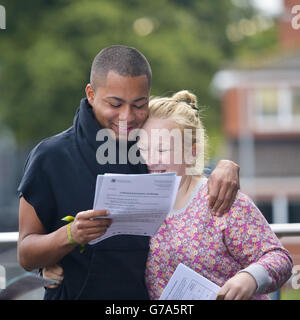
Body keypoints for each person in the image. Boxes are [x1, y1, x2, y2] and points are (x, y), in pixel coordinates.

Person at [18, 45, 240, 300]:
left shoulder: (150, 145)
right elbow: (25, 254)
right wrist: (69, 235)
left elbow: (188, 157)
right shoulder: (50, 156)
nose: (127, 117)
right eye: (115, 104)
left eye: (139, 104)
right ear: (91, 94)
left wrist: (226, 166)